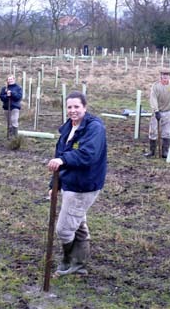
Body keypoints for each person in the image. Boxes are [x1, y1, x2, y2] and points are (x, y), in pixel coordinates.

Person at [47, 91, 107, 276]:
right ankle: (78, 264)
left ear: (85, 107)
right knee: (78, 224)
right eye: (69, 107)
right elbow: (59, 157)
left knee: (64, 229)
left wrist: (64, 160)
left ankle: (69, 261)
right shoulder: (68, 127)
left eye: (77, 107)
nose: (73, 111)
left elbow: (88, 154)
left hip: (83, 184)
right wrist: (54, 186)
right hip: (69, 182)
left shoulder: (94, 128)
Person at [144, 70, 170, 158]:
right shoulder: (156, 86)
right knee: (153, 131)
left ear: (169, 76)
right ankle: (152, 151)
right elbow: (153, 99)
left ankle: (165, 152)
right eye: (163, 75)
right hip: (157, 112)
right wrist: (156, 111)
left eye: (167, 75)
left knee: (167, 132)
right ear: (161, 76)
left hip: (168, 112)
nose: (165, 77)